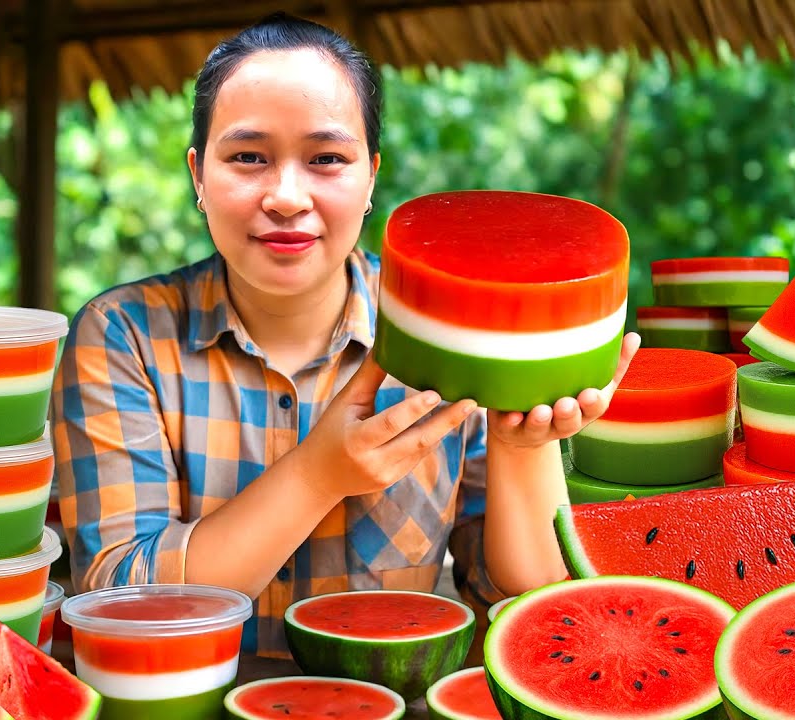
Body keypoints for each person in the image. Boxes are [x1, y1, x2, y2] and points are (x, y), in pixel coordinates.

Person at [52, 12, 639, 657]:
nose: (286, 195)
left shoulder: (457, 329)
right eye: (248, 157)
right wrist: (316, 476)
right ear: (198, 176)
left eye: (326, 159)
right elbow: (123, 606)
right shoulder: (122, 334)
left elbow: (521, 605)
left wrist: (525, 447)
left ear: (370, 178)